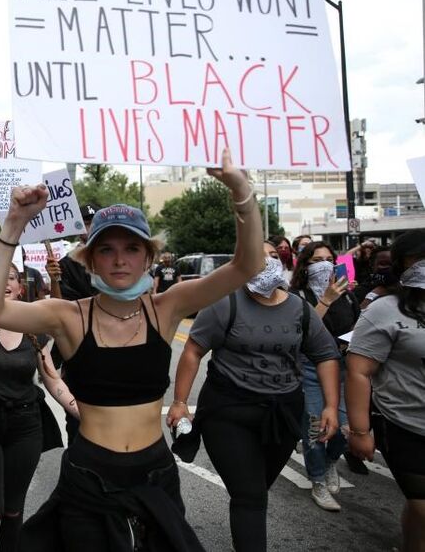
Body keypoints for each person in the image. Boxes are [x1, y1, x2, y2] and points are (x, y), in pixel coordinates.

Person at [0, 149, 265, 550]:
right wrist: (13, 224)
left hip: (155, 475)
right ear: (90, 260)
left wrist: (240, 189)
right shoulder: (68, 316)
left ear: (148, 257)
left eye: (131, 248)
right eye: (106, 249)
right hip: (90, 478)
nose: (119, 260)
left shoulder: (166, 308)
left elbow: (247, 265)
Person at [170, 240, 341, 550]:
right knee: (250, 495)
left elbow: (325, 354)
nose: (267, 262)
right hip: (228, 413)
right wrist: (181, 402)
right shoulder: (224, 303)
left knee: (258, 488)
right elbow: (194, 350)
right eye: (257, 257)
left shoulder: (300, 309)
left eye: (274, 256)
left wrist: (330, 405)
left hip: (283, 415)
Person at [0, 262, 78, 552]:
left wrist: (81, 410)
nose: (3, 282)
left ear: (20, 288)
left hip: (25, 426)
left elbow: (52, 379)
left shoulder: (33, 330)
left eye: (10, 277)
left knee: (13, 511)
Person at [346, 230, 425, 551]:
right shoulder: (384, 309)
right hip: (403, 424)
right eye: (419, 258)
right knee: (422, 505)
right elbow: (358, 371)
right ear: (401, 264)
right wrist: (360, 430)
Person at [290, 241, 360, 510]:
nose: (324, 264)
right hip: (311, 367)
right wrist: (326, 300)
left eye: (329, 259)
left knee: (345, 428)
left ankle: (330, 461)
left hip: (344, 366)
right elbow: (303, 333)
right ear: (305, 266)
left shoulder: (348, 294)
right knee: (316, 425)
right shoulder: (297, 296)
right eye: (316, 260)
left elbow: (358, 323)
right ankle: (318, 479)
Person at [57, 203, 99, 301]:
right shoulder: (66, 264)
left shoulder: (117, 258)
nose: (93, 227)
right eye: (88, 223)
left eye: (97, 222)